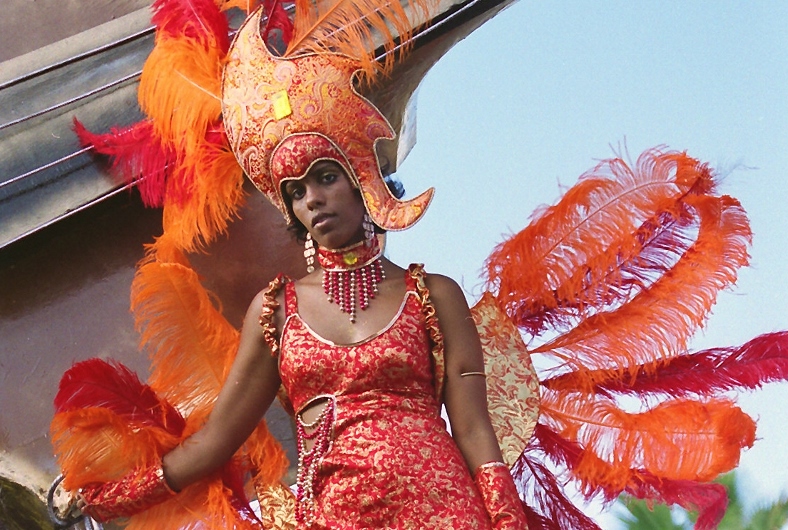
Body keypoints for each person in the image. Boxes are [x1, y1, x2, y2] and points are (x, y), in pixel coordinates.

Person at [70, 6, 530, 529]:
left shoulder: (434, 296)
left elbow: (473, 431)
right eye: (295, 192)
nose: (313, 200)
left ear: (360, 177)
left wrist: (506, 520)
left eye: (326, 177)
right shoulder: (275, 313)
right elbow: (216, 442)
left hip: (447, 513)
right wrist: (101, 500)